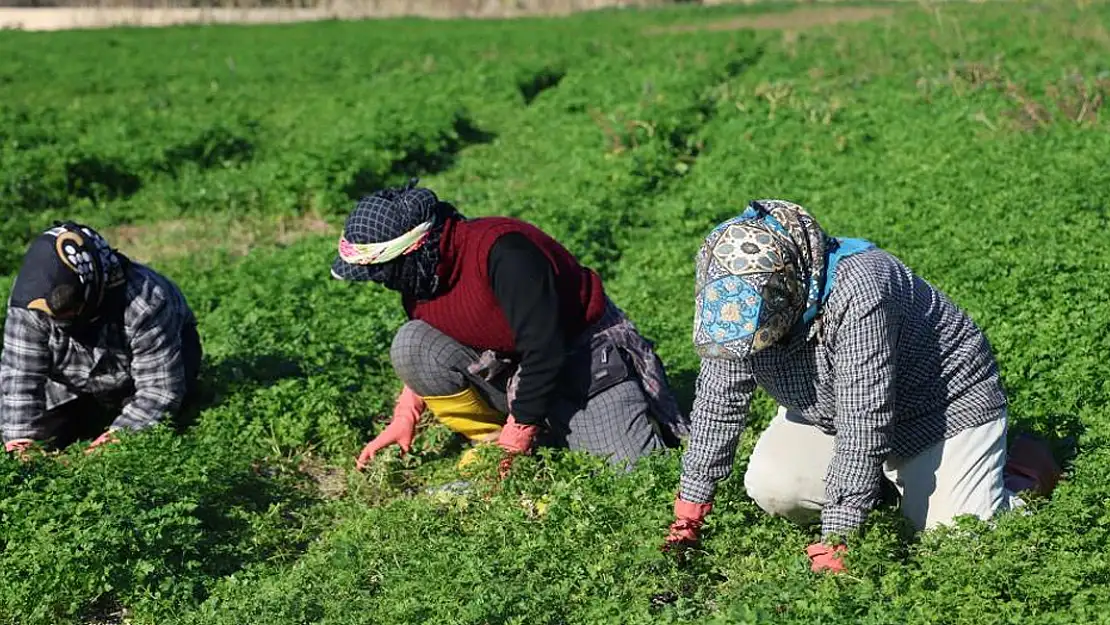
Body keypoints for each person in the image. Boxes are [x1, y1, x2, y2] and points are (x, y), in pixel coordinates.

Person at [662, 199, 1062, 573]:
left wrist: (838, 540)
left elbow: (864, 417)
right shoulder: (732, 298)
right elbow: (720, 401)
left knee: (958, 537)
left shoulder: (862, 288)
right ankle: (882, 487)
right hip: (832, 411)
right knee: (774, 486)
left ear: (790, 292)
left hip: (939, 411)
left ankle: (1024, 472)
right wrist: (689, 512)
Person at [330, 179, 689, 474]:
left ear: (413, 249)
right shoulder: (421, 277)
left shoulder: (504, 254)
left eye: (379, 270)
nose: (379, 280)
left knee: (635, 472)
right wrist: (405, 413)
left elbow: (545, 350)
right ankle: (498, 442)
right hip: (515, 368)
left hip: (583, 361)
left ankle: (533, 433)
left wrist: (518, 435)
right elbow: (432, 330)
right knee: (412, 343)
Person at [1, 221, 202, 456]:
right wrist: (23, 444)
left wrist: (109, 447)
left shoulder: (145, 302)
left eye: (68, 309)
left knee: (152, 439)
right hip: (73, 383)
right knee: (29, 431)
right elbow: (19, 377)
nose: (58, 319)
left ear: (91, 288)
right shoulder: (30, 301)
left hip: (139, 377)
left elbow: (159, 391)